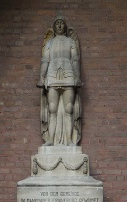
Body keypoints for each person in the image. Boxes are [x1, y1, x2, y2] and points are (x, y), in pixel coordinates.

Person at [37, 15, 82, 146]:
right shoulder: (50, 43)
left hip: (68, 75)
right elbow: (45, 60)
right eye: (57, 23)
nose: (60, 25)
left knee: (68, 109)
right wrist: (41, 77)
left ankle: (68, 140)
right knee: (52, 109)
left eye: (62, 23)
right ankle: (51, 140)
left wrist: (77, 76)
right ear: (54, 26)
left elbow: (75, 59)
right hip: (52, 76)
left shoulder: (71, 42)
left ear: (65, 26)